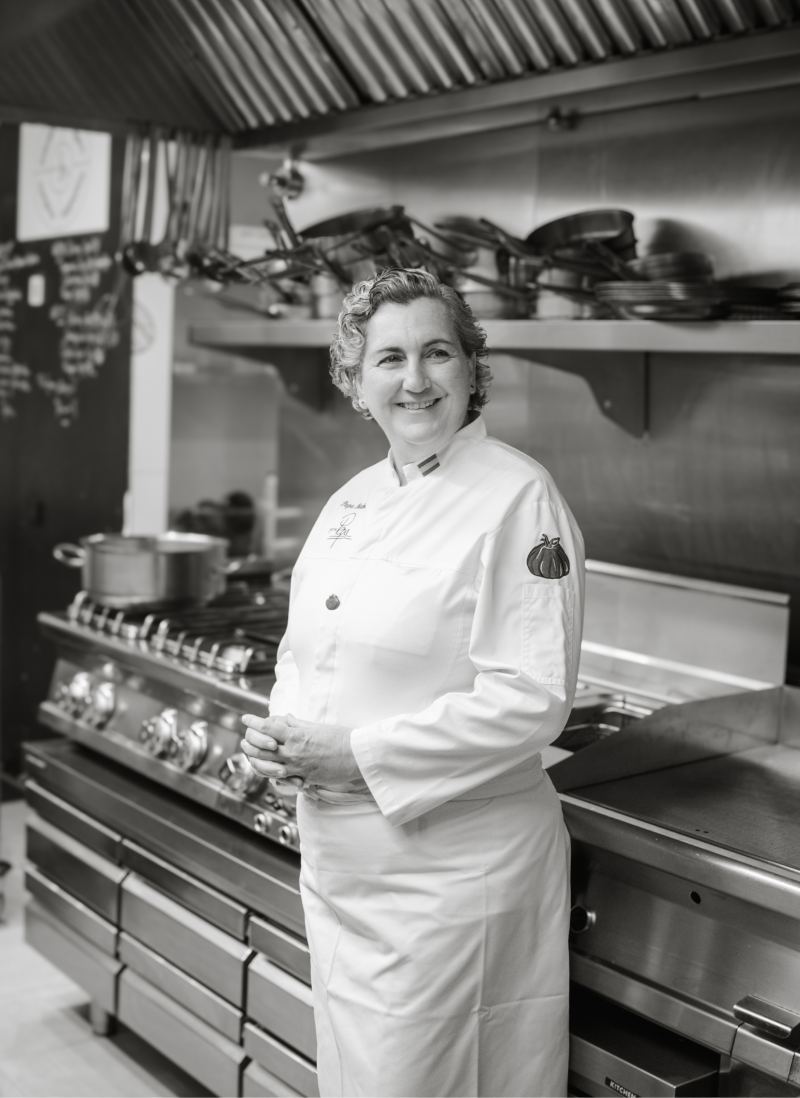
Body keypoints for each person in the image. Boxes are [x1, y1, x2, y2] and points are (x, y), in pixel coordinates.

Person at [241, 267, 585, 1098]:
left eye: (438, 352)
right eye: (389, 358)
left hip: (451, 883)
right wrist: (283, 732)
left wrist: (358, 755)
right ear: (357, 383)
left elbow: (531, 698)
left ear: (472, 370)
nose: (416, 378)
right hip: (344, 873)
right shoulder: (352, 501)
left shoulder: (518, 496)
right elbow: (306, 648)